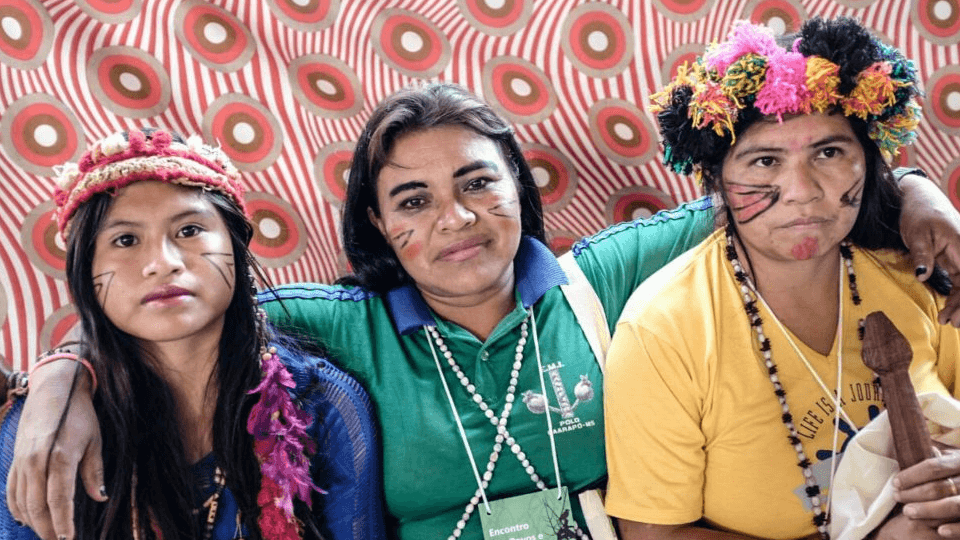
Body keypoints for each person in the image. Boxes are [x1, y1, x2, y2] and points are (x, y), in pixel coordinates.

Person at [9, 83, 960, 540]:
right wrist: (68, 372)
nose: (455, 219)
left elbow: (776, 189)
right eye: (413, 200)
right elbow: (184, 298)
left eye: (477, 184)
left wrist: (914, 190)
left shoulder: (603, 276)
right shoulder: (345, 325)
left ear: (520, 192)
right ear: (379, 226)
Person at [603, 16, 959, 540]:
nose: (802, 190)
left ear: (869, 159)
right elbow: (653, 535)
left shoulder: (917, 275)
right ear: (718, 180)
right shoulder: (664, 329)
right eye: (765, 160)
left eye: (829, 152)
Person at [0, 128, 386, 540]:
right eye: (125, 240)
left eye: (189, 231)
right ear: (85, 273)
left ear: (236, 248)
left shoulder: (322, 405)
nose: (161, 263)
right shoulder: (43, 430)